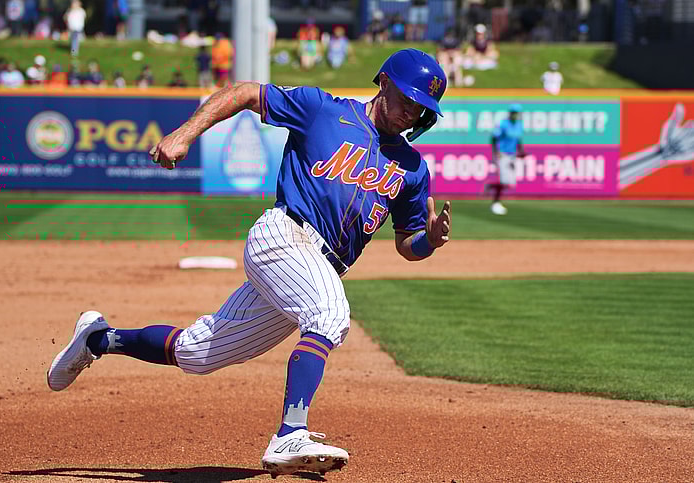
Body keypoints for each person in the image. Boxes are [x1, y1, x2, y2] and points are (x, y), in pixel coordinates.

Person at [47, 48, 452, 478]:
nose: (411, 112)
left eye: (421, 108)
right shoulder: (321, 109)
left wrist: (431, 239)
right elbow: (244, 93)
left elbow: (407, 244)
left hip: (315, 268)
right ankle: (290, 432)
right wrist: (186, 133)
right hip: (284, 235)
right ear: (384, 82)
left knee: (197, 353)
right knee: (330, 314)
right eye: (407, 99)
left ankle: (99, 340)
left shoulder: (411, 168)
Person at [487, 104, 526, 215]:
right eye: (513, 112)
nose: (514, 115)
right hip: (502, 154)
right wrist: (496, 152)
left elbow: (518, 139)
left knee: (510, 183)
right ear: (510, 113)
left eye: (516, 113)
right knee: (504, 181)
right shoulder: (504, 124)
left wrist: (521, 151)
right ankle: (495, 203)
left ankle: (490, 186)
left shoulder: (519, 125)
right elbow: (494, 138)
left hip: (512, 155)